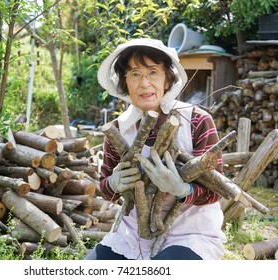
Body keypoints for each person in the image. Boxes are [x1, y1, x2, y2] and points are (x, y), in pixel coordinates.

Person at [84, 38, 227, 260]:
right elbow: (106, 190)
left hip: (191, 231)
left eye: (153, 72)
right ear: (125, 82)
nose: (144, 83)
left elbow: (218, 189)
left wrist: (183, 189)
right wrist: (114, 182)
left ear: (167, 80)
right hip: (133, 234)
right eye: (134, 74)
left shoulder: (196, 120)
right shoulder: (117, 130)